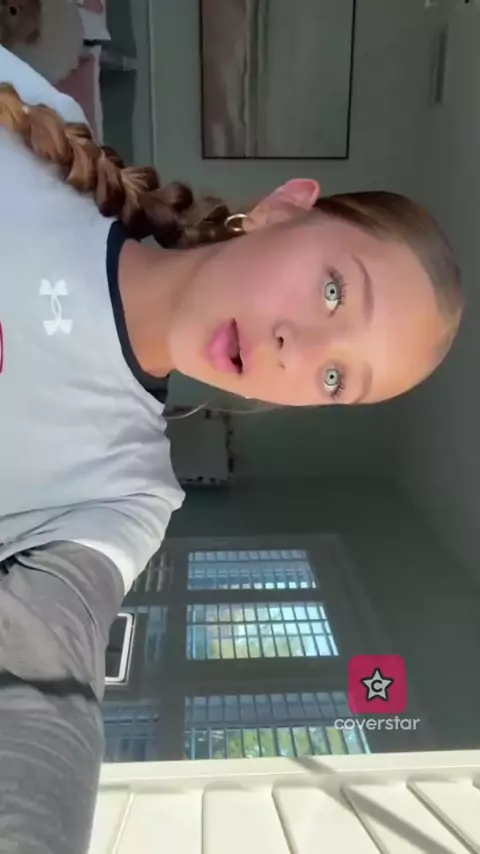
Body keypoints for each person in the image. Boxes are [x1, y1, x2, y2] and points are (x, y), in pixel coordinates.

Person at [0, 45, 463, 854]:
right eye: (334, 291)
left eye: (334, 378)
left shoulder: (128, 494)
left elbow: (45, 679)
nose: (297, 348)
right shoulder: (46, 144)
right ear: (284, 209)